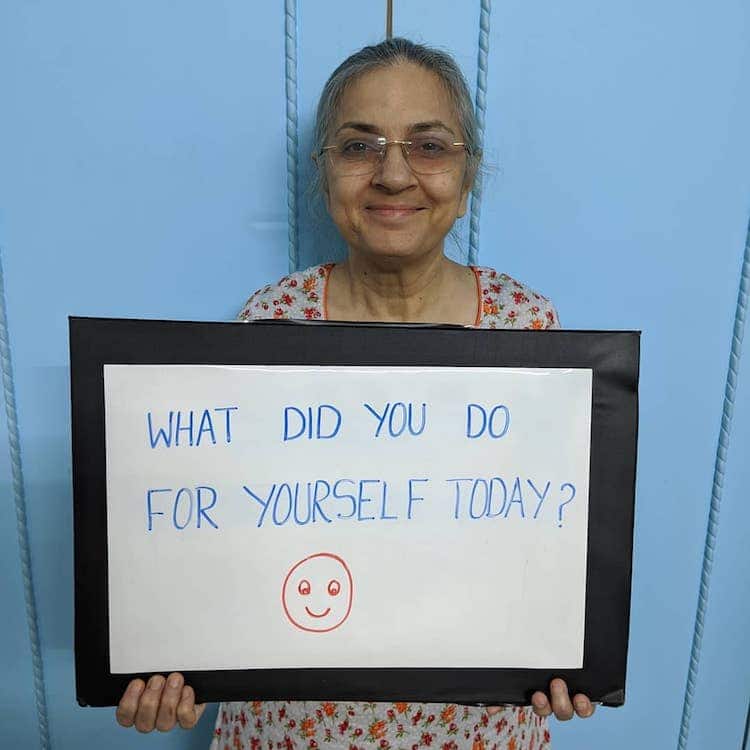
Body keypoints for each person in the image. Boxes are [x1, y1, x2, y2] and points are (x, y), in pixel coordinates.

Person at [115, 38, 596, 748]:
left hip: (476, 725)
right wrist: (170, 656)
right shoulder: (268, 320)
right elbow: (218, 542)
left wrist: (569, 648)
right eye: (359, 146)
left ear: (466, 178)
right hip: (293, 726)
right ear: (324, 173)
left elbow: (552, 541)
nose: (394, 174)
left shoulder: (530, 328)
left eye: (429, 147)